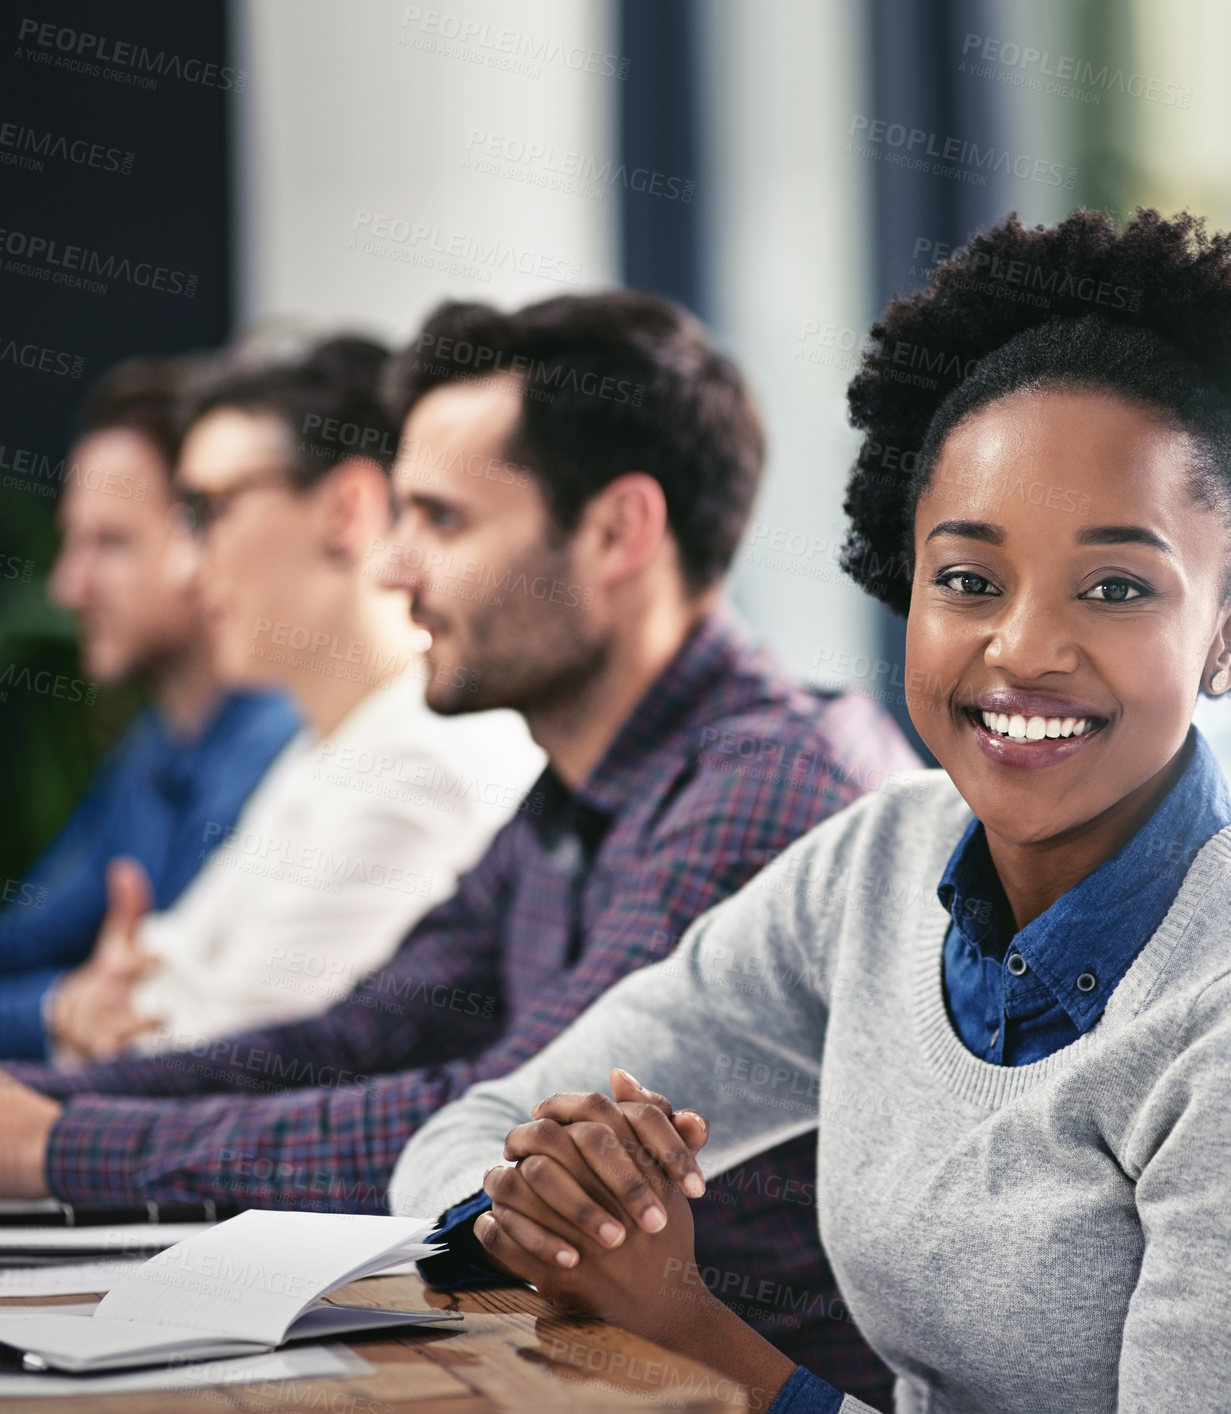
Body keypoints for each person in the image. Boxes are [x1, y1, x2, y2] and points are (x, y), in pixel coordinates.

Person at [388, 211, 1231, 1414]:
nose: (1022, 648)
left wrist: (684, 1324)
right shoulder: (877, 865)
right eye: (967, 579)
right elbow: (472, 1138)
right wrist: (543, 1203)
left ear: (1227, 635)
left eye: (1117, 587)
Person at [0, 292, 919, 1407]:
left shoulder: (762, 785)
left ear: (619, 530)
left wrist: (62, 1145)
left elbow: (501, 1123)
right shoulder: (570, 787)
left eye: (441, 520)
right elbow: (362, 1037)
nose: (392, 568)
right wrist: (36, 1102)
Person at [47, 334, 546, 1058]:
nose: (186, 569)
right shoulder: (328, 744)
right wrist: (95, 1015)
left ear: (345, 511)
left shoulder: (416, 765)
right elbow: (157, 985)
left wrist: (104, 1025)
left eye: (208, 510)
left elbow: (216, 1072)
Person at [0, 357, 301, 1062]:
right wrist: (55, 1008)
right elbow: (32, 938)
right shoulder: (158, 743)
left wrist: (60, 1009)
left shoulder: (277, 749)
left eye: (111, 543)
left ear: (205, 534)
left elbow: (145, 1009)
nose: (69, 586)